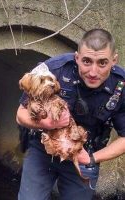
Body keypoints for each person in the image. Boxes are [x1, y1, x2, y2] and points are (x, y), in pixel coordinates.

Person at [16, 28, 125, 200]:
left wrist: (90, 159)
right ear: (77, 58)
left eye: (102, 63)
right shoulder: (53, 68)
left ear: (114, 60)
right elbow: (20, 114)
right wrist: (48, 124)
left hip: (83, 154)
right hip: (43, 148)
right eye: (87, 61)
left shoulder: (121, 85)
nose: (93, 72)